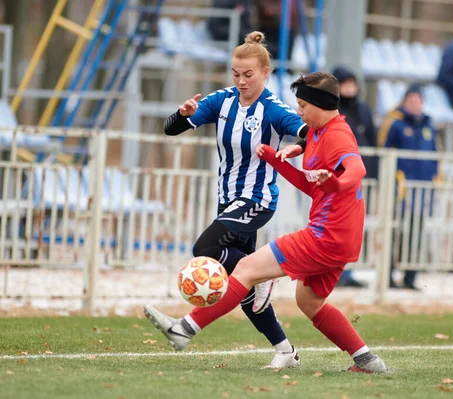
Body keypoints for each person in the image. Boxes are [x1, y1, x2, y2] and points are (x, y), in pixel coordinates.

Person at [145, 72, 387, 373]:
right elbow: (312, 186)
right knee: (308, 303)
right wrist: (275, 160)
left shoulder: (336, 134)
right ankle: (367, 360)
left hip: (327, 235)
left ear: (320, 104)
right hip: (342, 238)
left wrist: (337, 184)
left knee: (246, 269)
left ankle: (184, 329)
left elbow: (357, 169)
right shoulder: (316, 133)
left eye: (302, 105)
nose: (298, 112)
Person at [159, 31, 308, 369]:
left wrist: (297, 146)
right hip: (227, 202)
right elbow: (170, 129)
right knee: (244, 287)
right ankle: (286, 350)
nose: (240, 81)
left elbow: (309, 134)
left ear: (266, 73)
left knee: (205, 248)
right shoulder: (222, 101)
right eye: (235, 74)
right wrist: (183, 114)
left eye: (248, 75)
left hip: (257, 199)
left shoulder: (272, 109)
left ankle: (266, 275)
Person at [377, 84, 439, 290]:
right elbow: (383, 153)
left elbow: (435, 155)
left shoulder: (429, 125)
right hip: (400, 190)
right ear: (404, 102)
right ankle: (387, 276)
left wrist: (436, 179)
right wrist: (394, 180)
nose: (415, 104)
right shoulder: (395, 123)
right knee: (394, 230)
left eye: (418, 100)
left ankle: (410, 277)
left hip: (422, 190)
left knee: (417, 233)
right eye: (411, 100)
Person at [331, 66, 378, 288]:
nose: (350, 87)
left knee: (353, 228)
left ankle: (347, 272)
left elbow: (373, 139)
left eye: (353, 82)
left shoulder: (363, 109)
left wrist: (375, 174)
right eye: (345, 82)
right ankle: (334, 272)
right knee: (335, 227)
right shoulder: (332, 110)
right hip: (337, 179)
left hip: (362, 178)